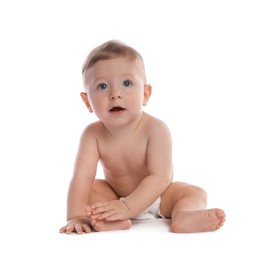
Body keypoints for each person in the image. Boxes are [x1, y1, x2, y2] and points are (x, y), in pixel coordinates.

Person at [59, 40, 225, 234]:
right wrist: (76, 216)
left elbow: (161, 177)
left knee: (192, 192)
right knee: (91, 188)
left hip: (160, 198)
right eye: (102, 86)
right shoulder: (92, 135)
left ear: (145, 94)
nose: (115, 94)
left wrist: (128, 207)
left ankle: (184, 215)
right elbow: (81, 178)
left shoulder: (156, 129)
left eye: (127, 83)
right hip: (115, 198)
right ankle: (110, 222)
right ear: (87, 100)